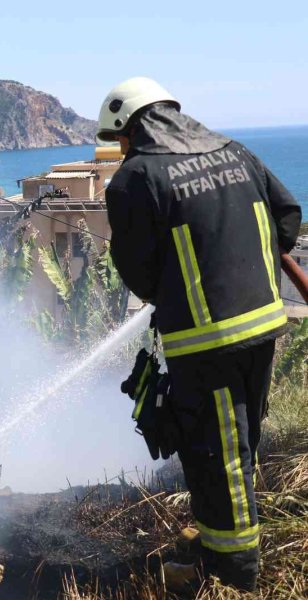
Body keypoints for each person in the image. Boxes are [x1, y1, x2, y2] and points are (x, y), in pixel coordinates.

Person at [97, 77, 302, 591]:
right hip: (263, 324)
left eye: (119, 139)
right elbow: (286, 219)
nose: (121, 149)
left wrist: (178, 291)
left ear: (130, 127)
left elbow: (138, 272)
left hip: (207, 341)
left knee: (216, 454)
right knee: (239, 441)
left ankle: (232, 575)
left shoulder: (135, 177)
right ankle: (220, 539)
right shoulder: (236, 153)